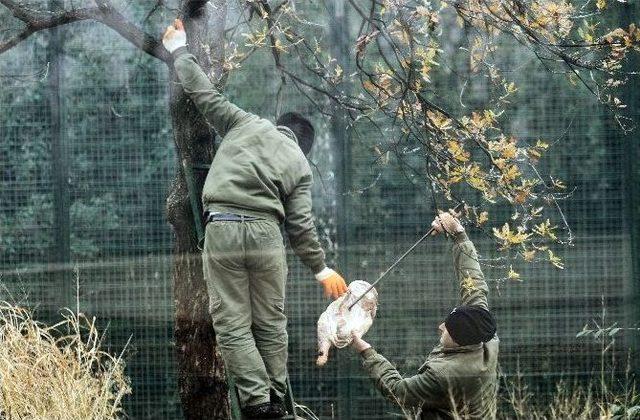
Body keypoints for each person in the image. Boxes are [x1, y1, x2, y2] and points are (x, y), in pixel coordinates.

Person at [162, 19, 348, 419]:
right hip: (267, 237)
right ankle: (278, 397)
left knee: (232, 324)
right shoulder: (299, 165)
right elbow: (300, 226)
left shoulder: (245, 122)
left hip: (224, 227)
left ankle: (259, 404)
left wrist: (179, 48)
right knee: (269, 324)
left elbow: (203, 93)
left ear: (281, 126)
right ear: (305, 146)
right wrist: (321, 269)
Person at [350, 210, 498, 419]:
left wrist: (365, 350)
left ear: (459, 343)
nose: (440, 327)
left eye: (447, 328)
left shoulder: (444, 374)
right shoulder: (482, 332)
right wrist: (458, 232)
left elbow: (398, 390)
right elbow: (474, 284)